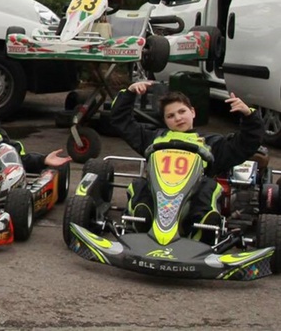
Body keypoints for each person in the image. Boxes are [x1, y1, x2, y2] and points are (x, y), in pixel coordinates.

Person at [109, 81, 263, 241]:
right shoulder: (154, 137)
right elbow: (121, 121)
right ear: (165, 121)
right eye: (171, 116)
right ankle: (142, 218)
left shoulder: (212, 143)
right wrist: (129, 93)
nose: (178, 118)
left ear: (193, 112)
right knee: (140, 185)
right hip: (157, 194)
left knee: (210, 187)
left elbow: (248, 142)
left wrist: (249, 115)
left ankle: (203, 227)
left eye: (182, 111)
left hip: (192, 198)